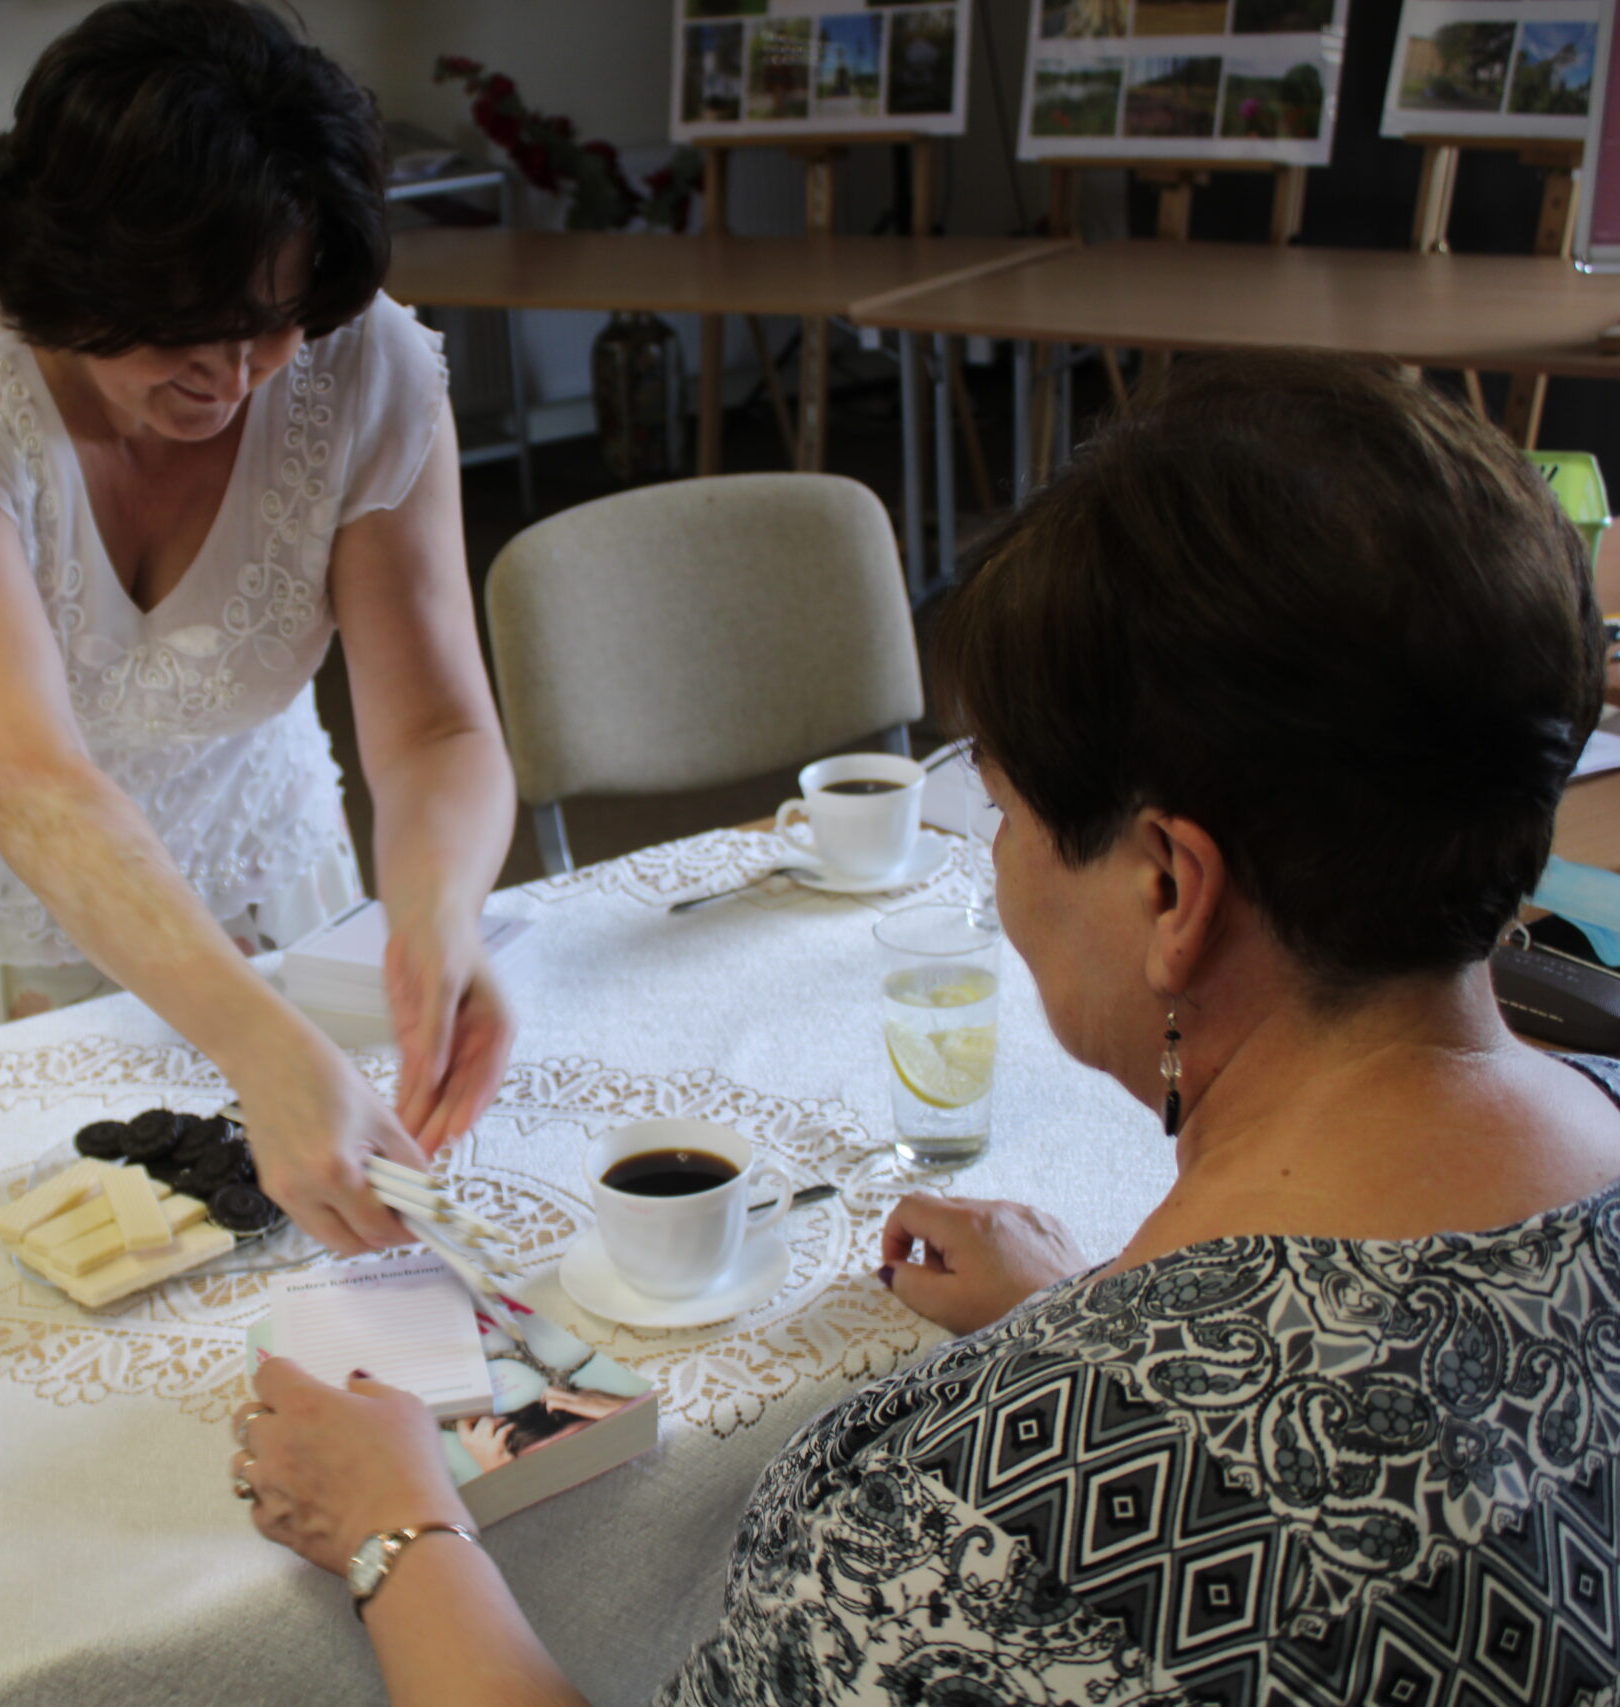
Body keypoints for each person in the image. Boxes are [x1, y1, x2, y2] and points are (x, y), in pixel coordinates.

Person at [232, 352, 1620, 1700]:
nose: (996, 858)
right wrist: (1098, 1309)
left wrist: (398, 1524)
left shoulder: (999, 1499)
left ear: (1167, 887)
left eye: (1003, 811)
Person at [0, 0, 514, 1255]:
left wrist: (440, 916)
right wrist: (259, 1042)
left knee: (292, 1239)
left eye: (276, 319)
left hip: (245, 832)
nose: (233, 374)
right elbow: (30, 782)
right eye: (185, 326)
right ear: (65, 272)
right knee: (44, 1255)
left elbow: (440, 725)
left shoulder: (364, 369)